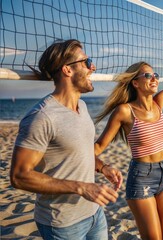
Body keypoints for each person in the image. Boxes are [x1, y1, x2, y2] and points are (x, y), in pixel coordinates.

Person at [10, 39, 123, 240]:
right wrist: (81, 187)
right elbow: (19, 176)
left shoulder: (83, 107)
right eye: (87, 62)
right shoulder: (42, 116)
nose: (93, 67)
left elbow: (80, 151)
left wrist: (102, 167)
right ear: (67, 70)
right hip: (62, 224)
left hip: (94, 213)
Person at [94, 35, 163, 239]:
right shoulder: (124, 111)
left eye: (155, 75)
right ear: (135, 83)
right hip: (141, 177)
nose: (154, 78)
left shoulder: (160, 101)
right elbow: (98, 147)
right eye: (148, 76)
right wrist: (101, 167)